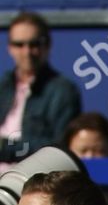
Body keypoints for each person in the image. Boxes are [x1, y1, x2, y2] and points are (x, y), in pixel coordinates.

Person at [0, 12, 81, 167]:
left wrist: (6, 148)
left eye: (35, 44)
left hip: (31, 181)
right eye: (19, 44)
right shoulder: (2, 85)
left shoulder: (63, 91)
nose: (27, 52)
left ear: (48, 45)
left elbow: (59, 150)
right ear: (9, 48)